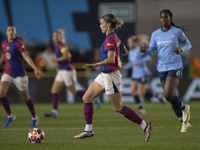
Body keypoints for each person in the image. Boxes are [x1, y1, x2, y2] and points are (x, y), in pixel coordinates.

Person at [74, 14, 152, 142]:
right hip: (104, 74)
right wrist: (118, 50)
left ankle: (145, 125)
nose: (100, 26)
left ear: (108, 25)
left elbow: (110, 59)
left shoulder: (110, 39)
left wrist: (95, 64)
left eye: (101, 23)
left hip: (111, 75)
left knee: (118, 107)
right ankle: (88, 130)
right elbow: (125, 52)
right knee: (86, 98)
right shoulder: (115, 38)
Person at [140, 9, 192, 133]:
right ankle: (184, 122)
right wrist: (144, 51)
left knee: (167, 94)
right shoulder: (155, 34)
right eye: (162, 17)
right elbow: (152, 50)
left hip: (175, 66)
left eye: (166, 17)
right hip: (161, 68)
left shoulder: (177, 32)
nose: (164, 19)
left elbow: (188, 44)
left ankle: (185, 108)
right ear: (160, 19)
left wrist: (181, 49)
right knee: (170, 97)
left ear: (170, 18)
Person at [0, 25, 42, 127]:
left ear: (15, 33)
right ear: (6, 32)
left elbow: (26, 57)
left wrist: (35, 68)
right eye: (9, 30)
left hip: (19, 74)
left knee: (25, 96)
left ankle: (34, 117)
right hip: (8, 73)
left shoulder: (18, 43)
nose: (11, 32)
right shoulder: (4, 44)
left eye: (13, 30)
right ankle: (10, 116)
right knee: (1, 93)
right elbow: (4, 55)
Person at [44, 29, 86, 117]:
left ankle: (92, 95)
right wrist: (58, 66)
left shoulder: (61, 45)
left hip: (67, 71)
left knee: (74, 92)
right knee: (54, 91)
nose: (55, 37)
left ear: (60, 37)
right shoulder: (57, 46)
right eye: (53, 36)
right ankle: (54, 112)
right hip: (61, 71)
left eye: (56, 36)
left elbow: (67, 55)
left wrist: (56, 60)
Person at [124, 35, 151, 114]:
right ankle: (141, 109)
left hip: (141, 73)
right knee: (133, 92)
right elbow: (130, 63)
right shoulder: (130, 52)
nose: (128, 44)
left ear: (135, 43)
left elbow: (148, 58)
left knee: (142, 93)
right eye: (128, 42)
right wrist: (124, 68)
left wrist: (139, 62)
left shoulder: (139, 50)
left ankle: (157, 95)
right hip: (134, 75)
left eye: (130, 42)